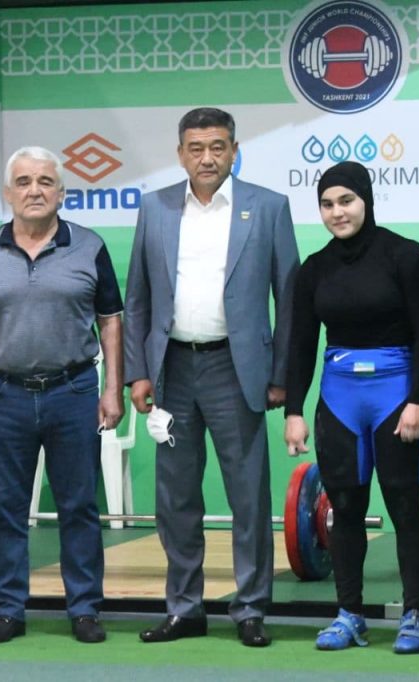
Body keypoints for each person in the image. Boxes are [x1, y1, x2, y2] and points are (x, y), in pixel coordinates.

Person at [124, 107, 299, 647]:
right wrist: (137, 373)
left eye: (218, 147)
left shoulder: (267, 207)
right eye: (196, 148)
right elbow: (137, 298)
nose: (207, 158)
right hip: (172, 369)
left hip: (236, 369)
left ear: (234, 151)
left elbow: (289, 299)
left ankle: (250, 608)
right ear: (180, 154)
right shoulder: (154, 208)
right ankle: (185, 607)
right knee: (175, 498)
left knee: (248, 496)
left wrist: (281, 375)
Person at [0, 146, 124, 645]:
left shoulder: (89, 246)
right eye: (24, 182)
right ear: (8, 193)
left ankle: (84, 609)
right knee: (7, 509)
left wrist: (112, 389)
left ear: (62, 192)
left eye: (45, 182)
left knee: (79, 506)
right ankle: (9, 610)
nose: (35, 191)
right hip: (4, 393)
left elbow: (110, 321)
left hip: (73, 391)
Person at [283, 161, 419, 653]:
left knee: (405, 507)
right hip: (340, 398)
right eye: (327, 204)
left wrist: (418, 401)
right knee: (345, 509)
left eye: (346, 201)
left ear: (366, 201)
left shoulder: (405, 256)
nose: (338, 212)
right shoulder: (314, 269)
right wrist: (293, 410)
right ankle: (349, 615)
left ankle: (414, 616)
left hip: (397, 397)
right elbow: (301, 343)